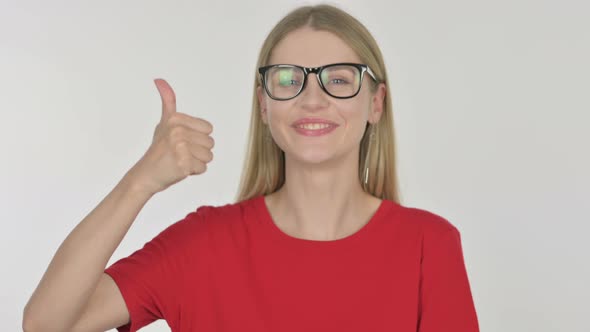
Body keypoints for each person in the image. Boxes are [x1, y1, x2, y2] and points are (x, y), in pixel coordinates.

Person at [23, 4, 480, 332]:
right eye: (288, 79)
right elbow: (46, 324)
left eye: (339, 79)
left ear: (375, 103)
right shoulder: (202, 244)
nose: (312, 98)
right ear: (264, 105)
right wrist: (141, 181)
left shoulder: (429, 246)